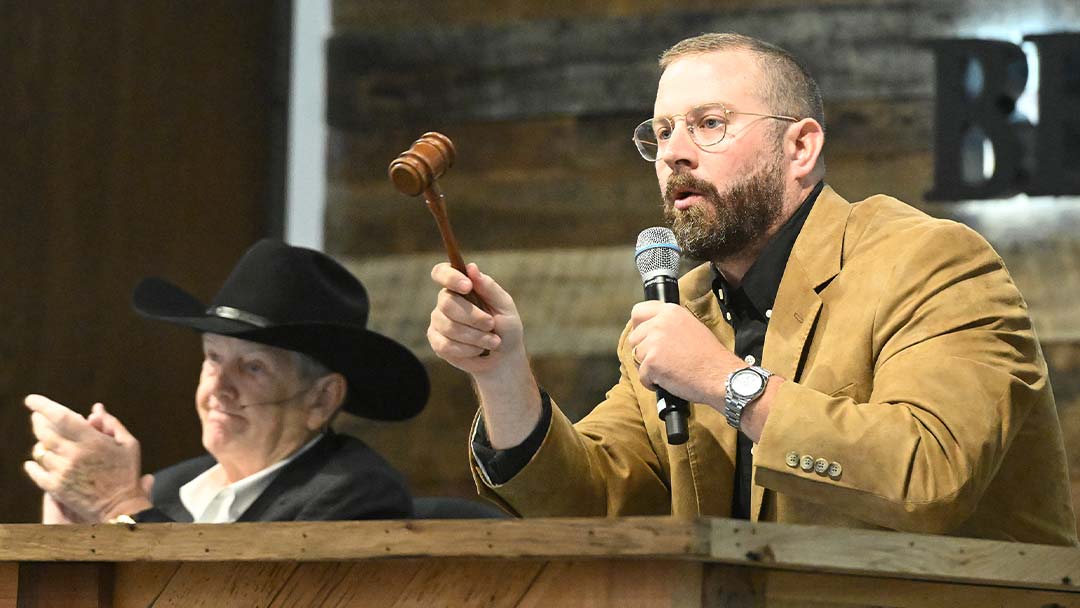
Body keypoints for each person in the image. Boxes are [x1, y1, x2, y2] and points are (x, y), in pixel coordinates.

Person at [426, 32, 1078, 545]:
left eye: (709, 124)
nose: (675, 154)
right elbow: (592, 504)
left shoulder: (931, 262)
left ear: (799, 148)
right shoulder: (680, 313)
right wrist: (503, 373)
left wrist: (727, 383)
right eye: (661, 133)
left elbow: (930, 479)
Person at [25, 239, 429, 523]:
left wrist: (119, 505)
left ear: (321, 400)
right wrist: (75, 537)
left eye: (252, 367)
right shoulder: (168, 489)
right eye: (213, 358)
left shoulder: (354, 494)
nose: (218, 387)